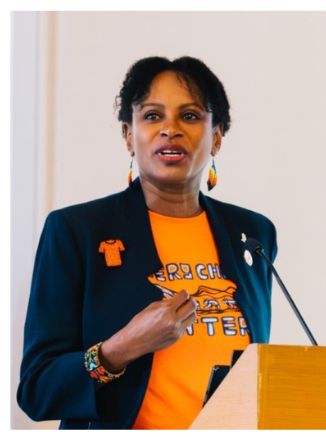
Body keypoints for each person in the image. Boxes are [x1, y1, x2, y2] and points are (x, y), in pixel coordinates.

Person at [17, 56, 277, 429]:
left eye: (189, 116)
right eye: (153, 116)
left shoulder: (253, 234)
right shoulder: (77, 230)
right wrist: (122, 347)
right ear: (128, 135)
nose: (170, 129)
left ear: (216, 136)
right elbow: (37, 390)